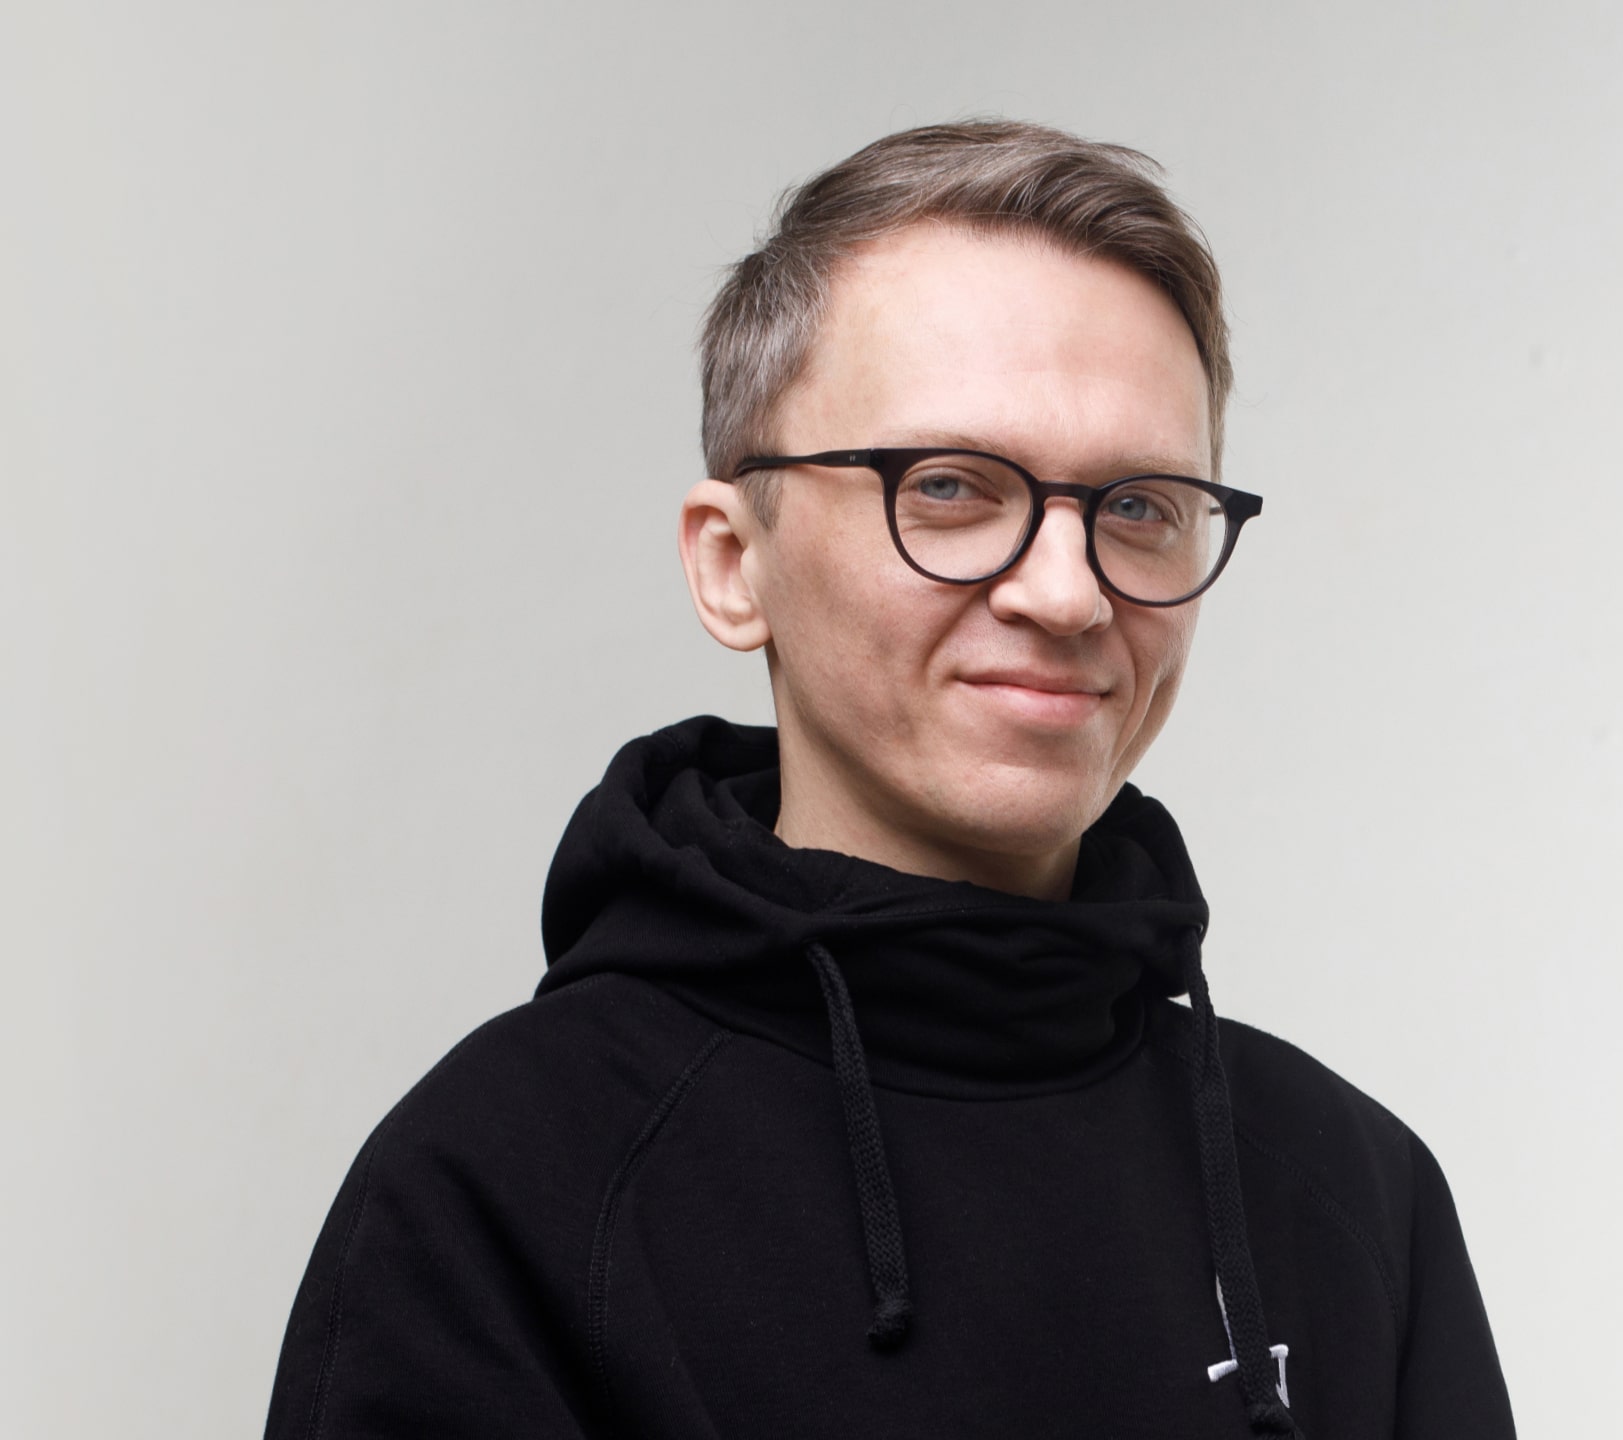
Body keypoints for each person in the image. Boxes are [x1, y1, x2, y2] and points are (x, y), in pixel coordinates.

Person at [264, 120, 1514, 1440]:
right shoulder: (502, 1188)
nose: (1067, 593)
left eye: (1141, 506)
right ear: (733, 564)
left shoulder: (1351, 1189)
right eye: (952, 486)